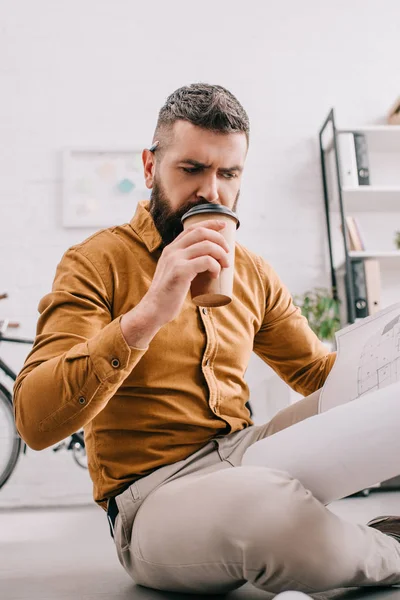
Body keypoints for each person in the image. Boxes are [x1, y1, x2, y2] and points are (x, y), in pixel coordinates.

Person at [14, 83, 400, 595]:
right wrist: (150, 312)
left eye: (228, 173)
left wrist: (384, 366)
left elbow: (319, 376)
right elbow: (34, 422)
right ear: (151, 168)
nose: (211, 192)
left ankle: (325, 532)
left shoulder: (253, 272)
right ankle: (387, 549)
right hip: (152, 499)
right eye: (191, 169)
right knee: (270, 507)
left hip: (243, 454)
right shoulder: (95, 262)